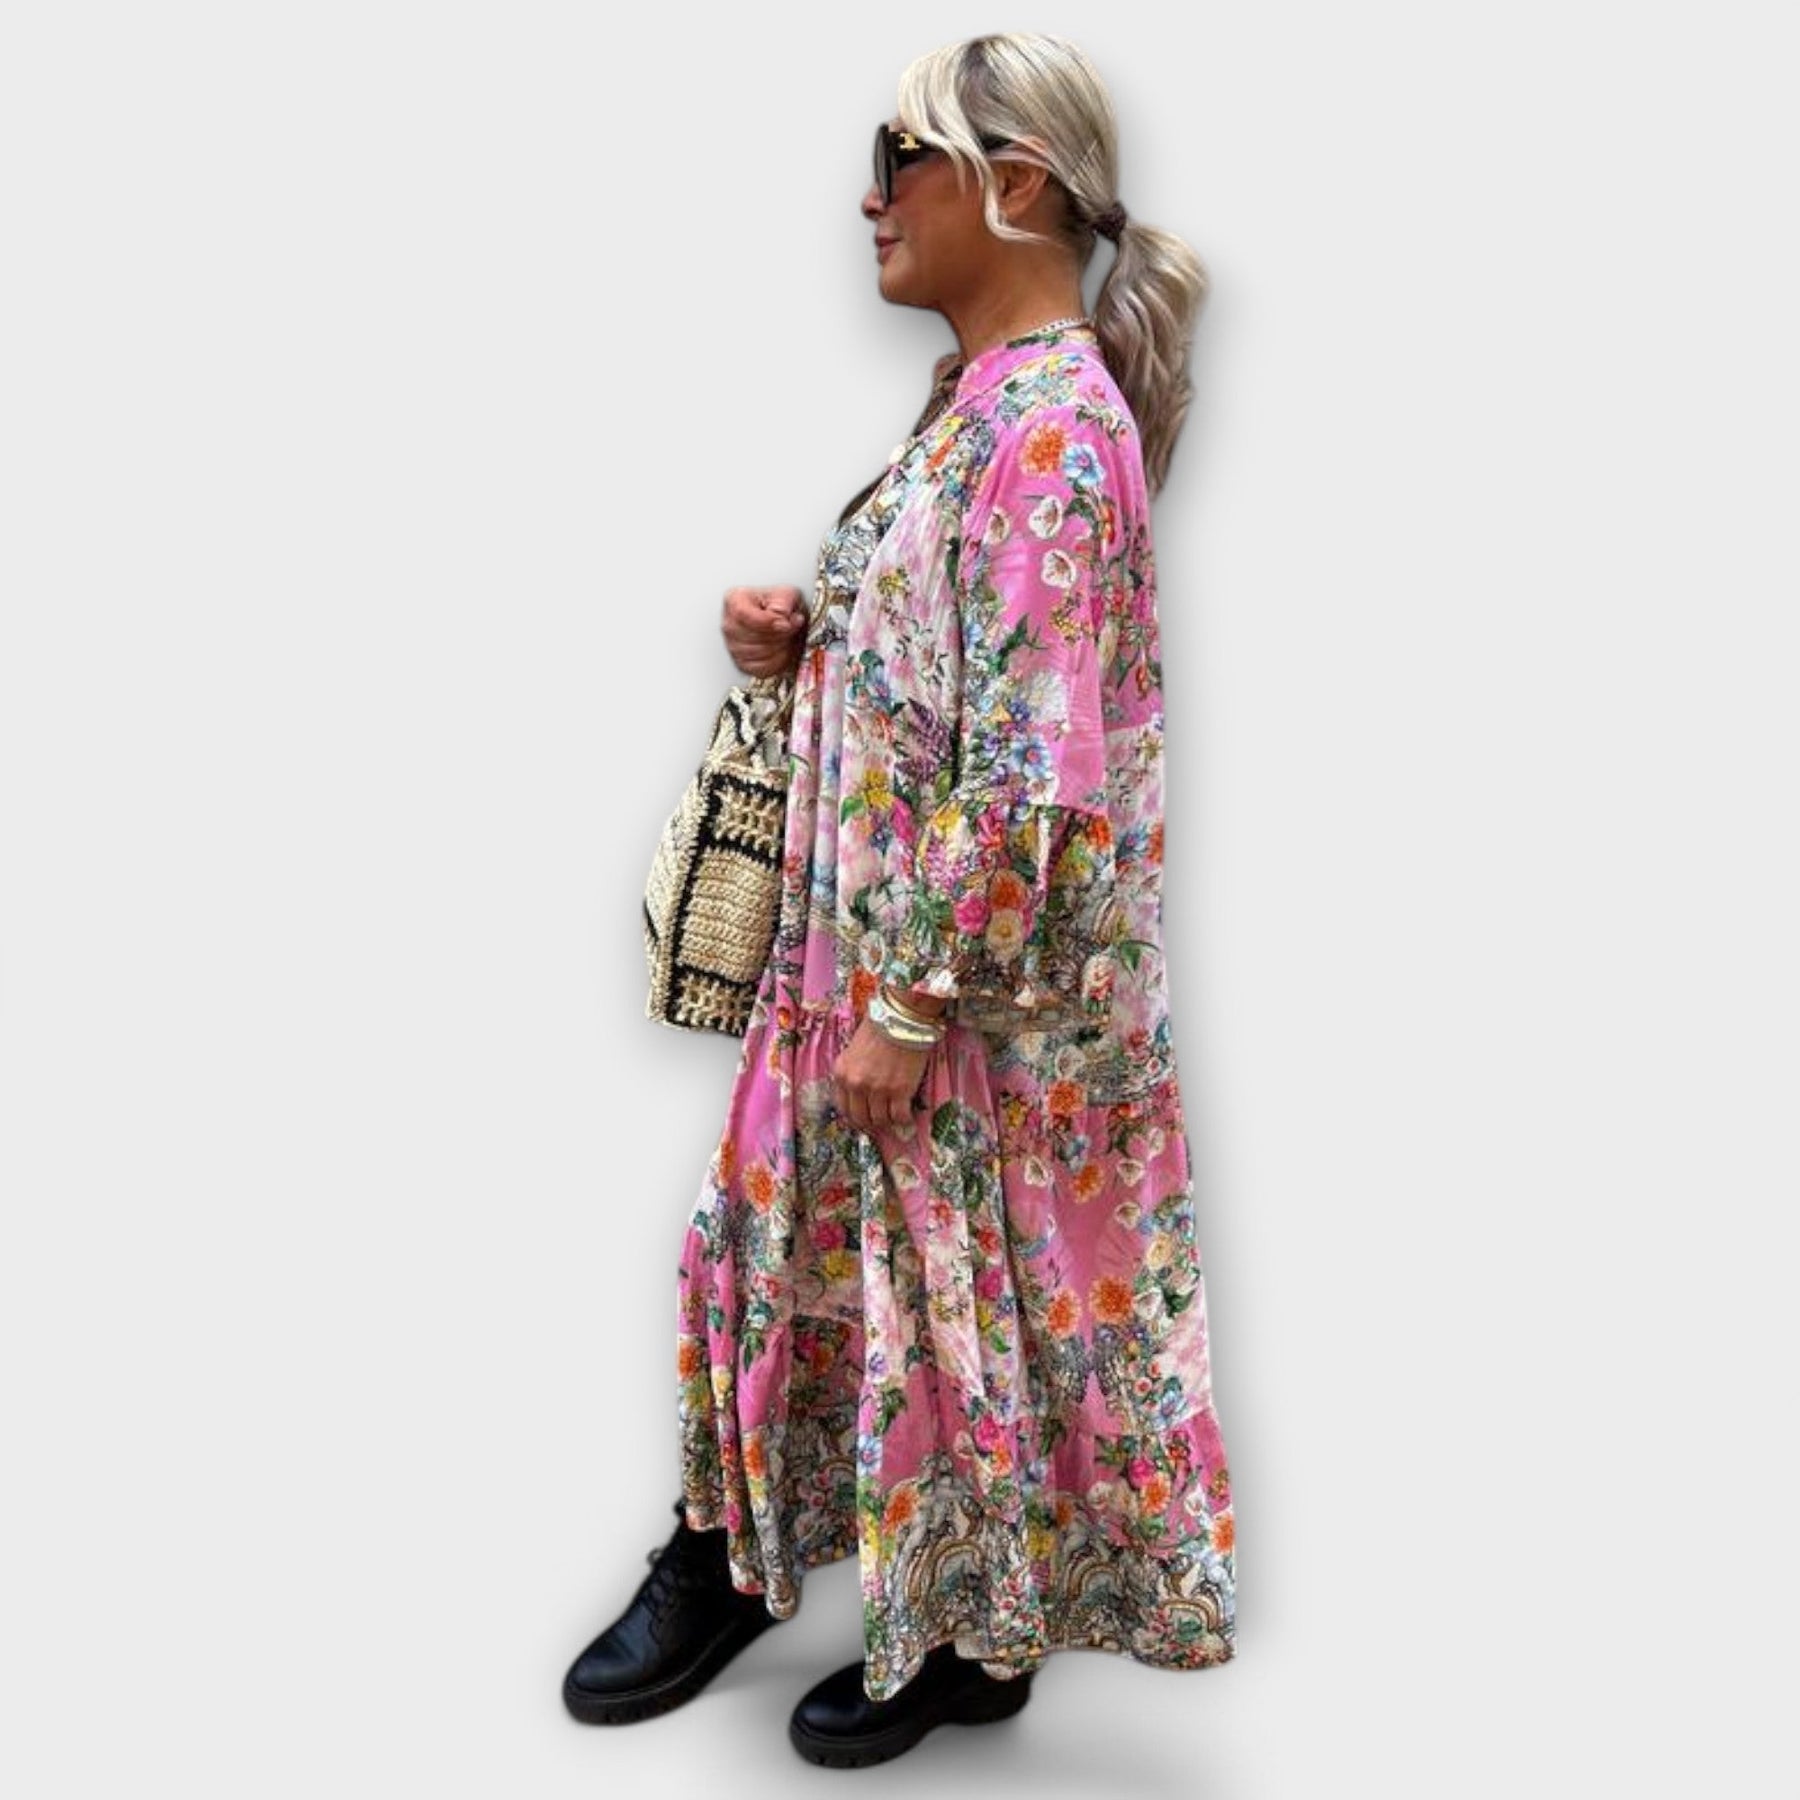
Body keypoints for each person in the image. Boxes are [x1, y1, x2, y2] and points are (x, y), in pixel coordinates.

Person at [564, 31, 1235, 1768]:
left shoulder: (1052, 430)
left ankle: (958, 1625)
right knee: (821, 1263)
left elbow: (1035, 769)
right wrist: (811, 643)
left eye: (900, 156)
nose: (869, 198)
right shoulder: (980, 407)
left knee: (948, 1300)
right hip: (874, 970)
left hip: (950, 998)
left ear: (1014, 184)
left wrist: (914, 1001)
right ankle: (757, 1557)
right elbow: (960, 676)